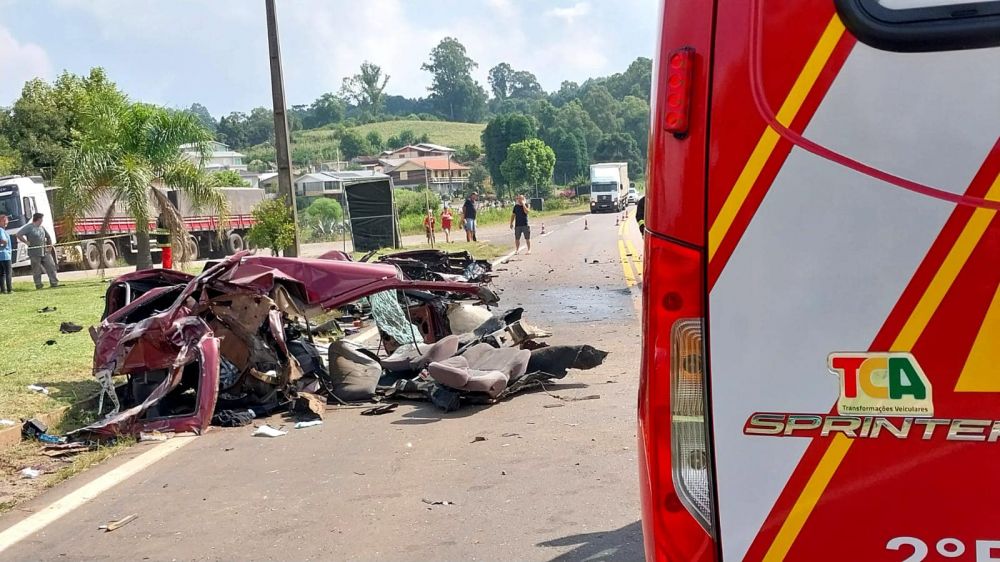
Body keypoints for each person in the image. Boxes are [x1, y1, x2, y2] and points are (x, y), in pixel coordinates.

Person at [16, 213, 59, 289]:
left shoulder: (42, 228)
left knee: (51, 266)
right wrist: (26, 242)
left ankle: (54, 282)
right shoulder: (29, 227)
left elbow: (48, 237)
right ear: (38, 219)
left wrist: (49, 246)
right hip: (34, 252)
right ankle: (38, 284)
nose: (42, 221)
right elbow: (19, 234)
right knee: (37, 269)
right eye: (41, 219)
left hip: (44, 251)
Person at [0, 214, 12, 294]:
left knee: (1, 274)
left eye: (6, 221)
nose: (6, 222)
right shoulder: (1, 230)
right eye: (4, 221)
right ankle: (9, 289)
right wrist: (3, 245)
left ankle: (3, 290)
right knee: (8, 273)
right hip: (5, 255)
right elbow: (4, 240)